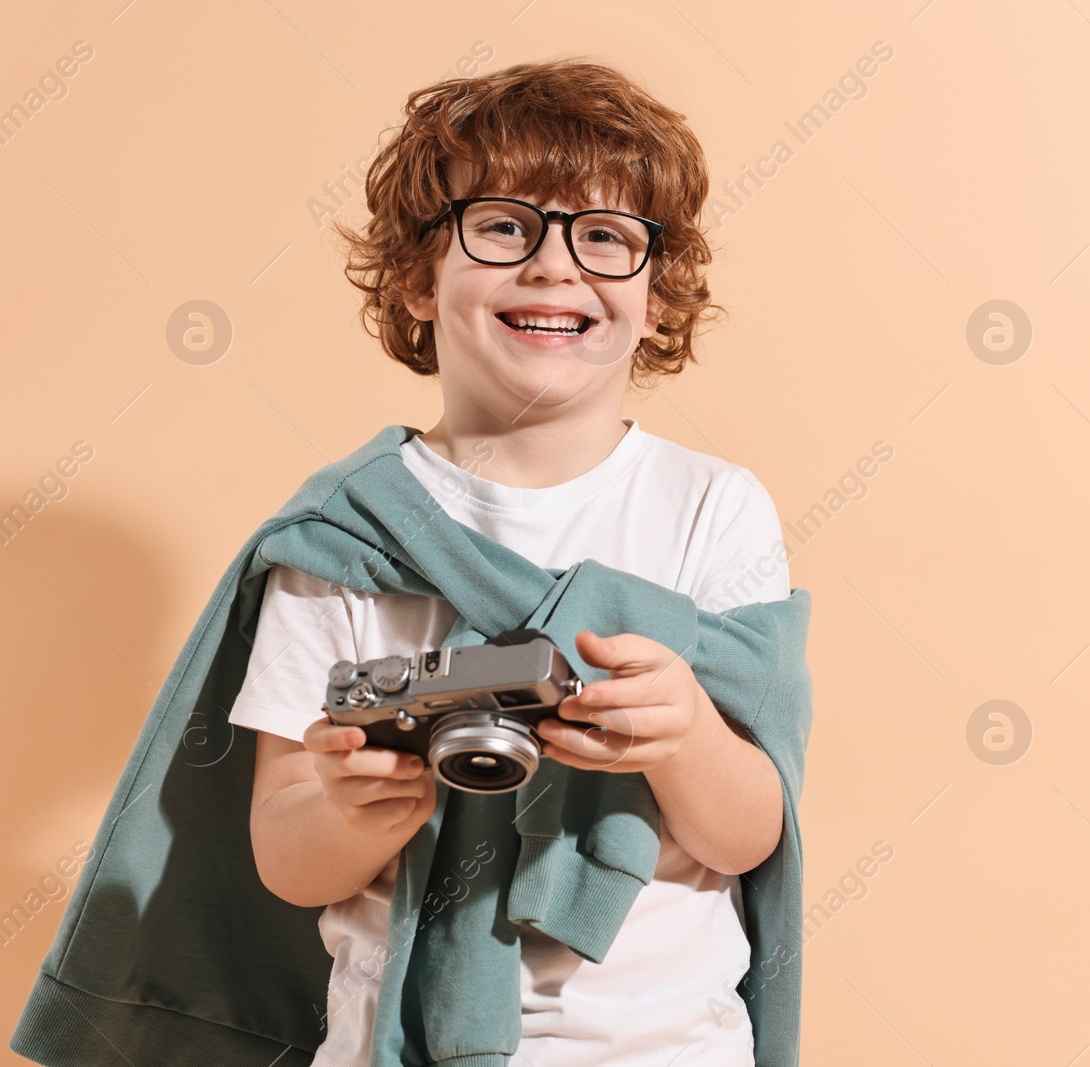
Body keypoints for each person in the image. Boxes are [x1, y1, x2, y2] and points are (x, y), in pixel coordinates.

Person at [230, 58, 793, 1067]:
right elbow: (287, 855)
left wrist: (683, 732)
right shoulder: (344, 532)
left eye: (606, 237)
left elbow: (749, 833)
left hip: (664, 1045)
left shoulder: (710, 509)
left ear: (659, 297)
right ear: (416, 277)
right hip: (391, 1045)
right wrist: (353, 810)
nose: (553, 265)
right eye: (501, 227)